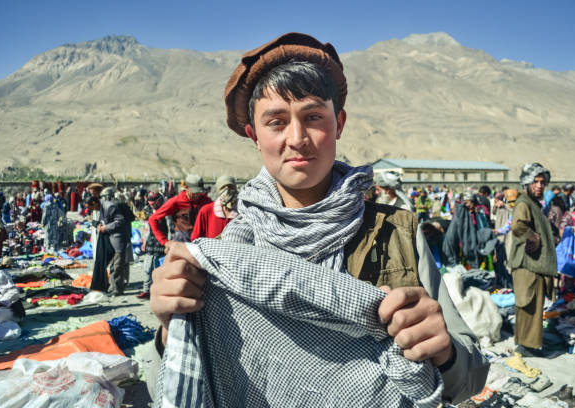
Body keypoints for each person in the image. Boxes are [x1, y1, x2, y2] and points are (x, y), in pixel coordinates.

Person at [148, 33, 487, 406]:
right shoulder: (226, 257)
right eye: (276, 122)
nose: (297, 138)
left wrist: (445, 352)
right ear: (254, 136)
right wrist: (171, 330)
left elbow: (469, 380)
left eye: (313, 117)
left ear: (338, 123)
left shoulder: (397, 234)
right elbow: (165, 386)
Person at [509, 163, 557, 354]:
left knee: (534, 306)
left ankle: (530, 344)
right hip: (527, 264)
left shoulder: (534, 204)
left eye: (542, 182)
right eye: (536, 182)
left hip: (533, 264)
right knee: (527, 304)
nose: (539, 186)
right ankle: (526, 346)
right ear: (527, 183)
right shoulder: (523, 203)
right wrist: (533, 238)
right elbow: (518, 226)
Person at [148, 175, 212, 249]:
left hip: (202, 241)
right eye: (194, 192)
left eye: (199, 192)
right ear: (186, 188)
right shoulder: (176, 201)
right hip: (182, 241)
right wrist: (164, 242)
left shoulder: (206, 201)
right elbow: (152, 219)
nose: (197, 195)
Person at [97, 188, 131, 296]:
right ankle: (114, 287)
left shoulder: (114, 206)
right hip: (112, 238)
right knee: (114, 264)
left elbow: (120, 222)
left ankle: (117, 289)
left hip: (119, 238)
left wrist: (106, 227)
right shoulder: (109, 205)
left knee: (118, 265)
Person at [190, 175, 239, 240]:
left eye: (231, 187)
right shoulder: (207, 210)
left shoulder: (242, 212)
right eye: (223, 188)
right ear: (219, 191)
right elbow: (196, 238)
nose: (227, 190)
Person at [137, 192, 166, 299]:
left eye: (153, 203)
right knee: (147, 267)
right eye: (150, 203)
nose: (151, 205)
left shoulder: (166, 211)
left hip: (162, 243)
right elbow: (147, 229)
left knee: (159, 268)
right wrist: (144, 241)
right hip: (150, 242)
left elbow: (170, 228)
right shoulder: (148, 211)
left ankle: (159, 290)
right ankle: (146, 290)